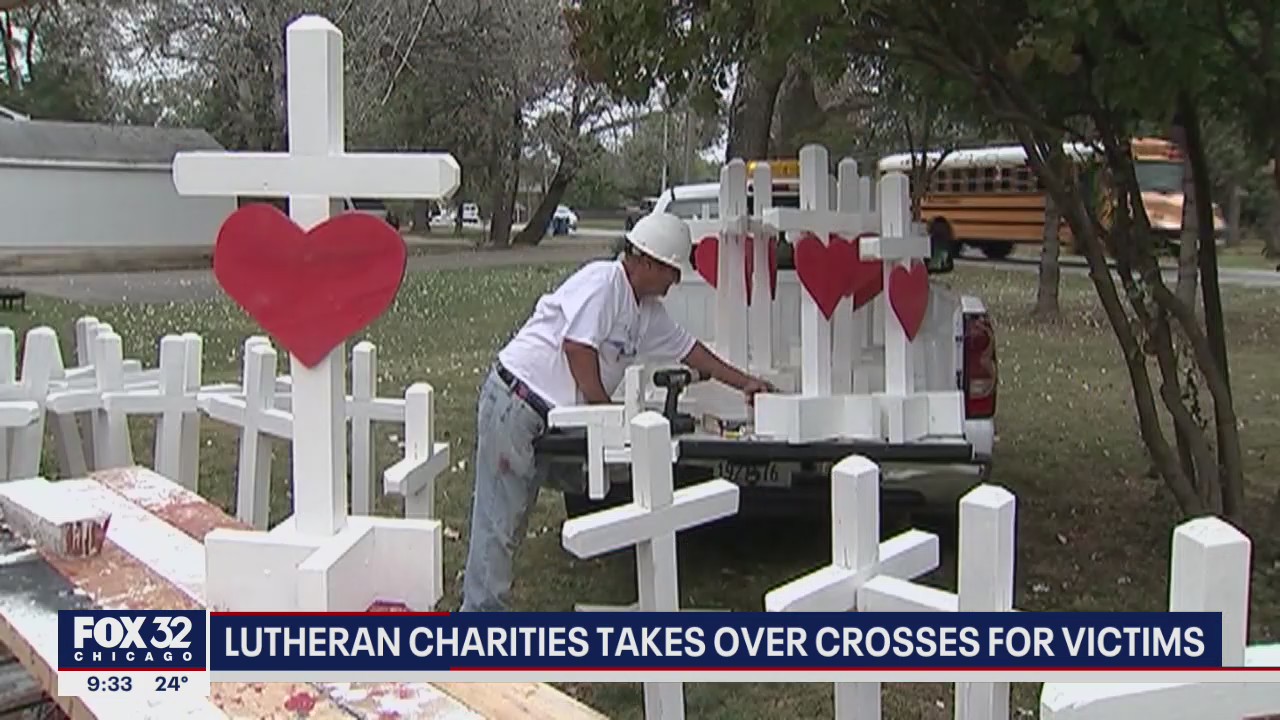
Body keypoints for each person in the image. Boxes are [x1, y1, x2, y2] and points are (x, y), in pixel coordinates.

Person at [459, 212, 775, 612]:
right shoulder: (604, 283)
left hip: (544, 413)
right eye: (671, 272)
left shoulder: (645, 310)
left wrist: (744, 381)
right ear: (645, 260)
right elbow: (578, 348)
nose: (674, 282)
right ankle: (478, 627)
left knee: (519, 512)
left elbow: (690, 350)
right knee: (498, 519)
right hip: (517, 400)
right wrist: (605, 412)